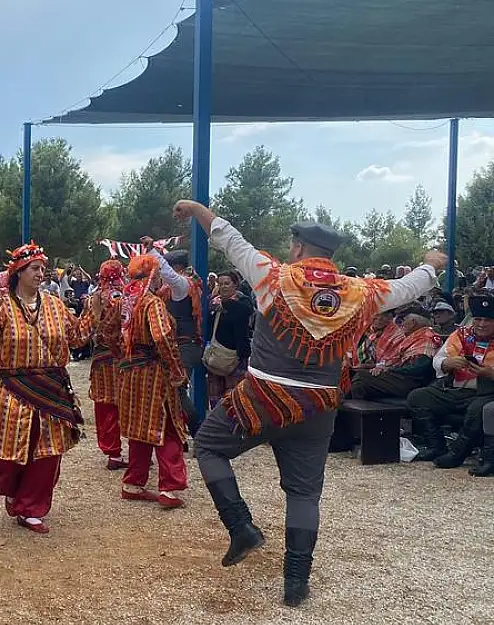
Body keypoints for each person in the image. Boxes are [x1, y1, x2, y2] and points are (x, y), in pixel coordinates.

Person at [174, 199, 443, 608]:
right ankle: (296, 582)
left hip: (262, 398)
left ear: (298, 248)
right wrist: (430, 264)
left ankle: (241, 525)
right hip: (318, 407)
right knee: (303, 494)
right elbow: (410, 288)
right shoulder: (360, 292)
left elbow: (230, 239)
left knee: (209, 446)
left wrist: (197, 209)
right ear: (331, 255)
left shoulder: (273, 276)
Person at [0, 242, 91, 534]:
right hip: (11, 388)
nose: (41, 274)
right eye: (35, 269)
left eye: (42, 269)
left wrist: (93, 312)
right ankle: (13, 491)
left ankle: (32, 506)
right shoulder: (3, 304)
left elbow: (77, 338)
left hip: (51, 386)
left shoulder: (55, 304)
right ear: (19, 272)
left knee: (48, 451)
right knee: (6, 455)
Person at [108, 254, 189, 509]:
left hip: (130, 374)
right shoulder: (151, 303)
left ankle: (133, 483)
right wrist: (176, 369)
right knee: (167, 427)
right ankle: (170, 487)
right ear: (154, 276)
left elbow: (108, 332)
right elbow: (163, 336)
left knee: (140, 430)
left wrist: (121, 356)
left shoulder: (125, 302)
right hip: (154, 373)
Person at [407, 294, 494, 466]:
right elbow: (437, 361)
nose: (481, 324)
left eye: (487, 320)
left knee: (477, 410)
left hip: (486, 392)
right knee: (417, 397)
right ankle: (436, 446)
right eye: (477, 319)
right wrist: (447, 363)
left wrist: (489, 374)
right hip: (455, 389)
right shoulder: (461, 334)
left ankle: (457, 454)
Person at [149, 245, 204, 432]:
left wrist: (152, 251)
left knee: (177, 392)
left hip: (185, 346)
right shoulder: (173, 288)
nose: (163, 272)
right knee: (173, 391)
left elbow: (169, 275)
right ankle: (180, 434)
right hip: (181, 346)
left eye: (167, 267)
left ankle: (200, 434)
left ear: (177, 267)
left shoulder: (182, 285)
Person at [86, 259, 127, 470]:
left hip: (100, 358)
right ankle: (134, 452)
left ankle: (112, 452)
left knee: (104, 404)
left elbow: (86, 328)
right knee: (125, 403)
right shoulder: (125, 295)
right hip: (122, 358)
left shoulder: (94, 296)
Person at [349, 312, 440, 401]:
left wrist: (388, 369)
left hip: (411, 382)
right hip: (400, 377)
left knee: (361, 376)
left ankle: (353, 413)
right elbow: (395, 362)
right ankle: (356, 414)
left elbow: (417, 369)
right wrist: (381, 367)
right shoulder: (415, 337)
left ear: (413, 323)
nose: (401, 324)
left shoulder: (426, 338)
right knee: (359, 383)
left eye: (404, 320)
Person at [207, 271, 254, 404]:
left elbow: (246, 311)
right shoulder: (213, 303)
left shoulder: (242, 301)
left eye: (227, 283)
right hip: (216, 357)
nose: (223, 287)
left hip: (236, 357)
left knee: (235, 399)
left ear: (235, 285)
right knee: (215, 398)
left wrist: (226, 303)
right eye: (220, 284)